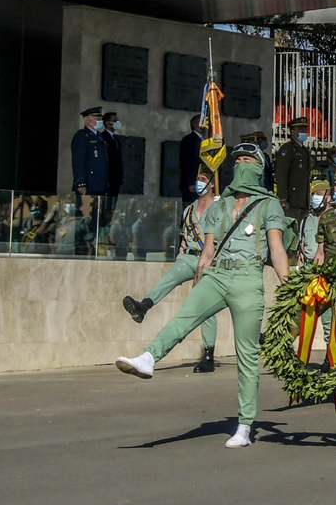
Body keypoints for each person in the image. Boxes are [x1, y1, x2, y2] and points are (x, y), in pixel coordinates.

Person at [114, 142, 288, 449]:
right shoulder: (220, 205)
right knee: (184, 317)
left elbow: (276, 250)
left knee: (246, 355)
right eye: (238, 160)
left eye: (248, 160)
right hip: (217, 274)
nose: (241, 164)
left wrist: (291, 288)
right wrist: (200, 279)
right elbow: (208, 250)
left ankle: (245, 425)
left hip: (248, 278)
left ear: (260, 167)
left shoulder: (268, 204)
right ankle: (149, 358)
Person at [120, 165, 221, 372]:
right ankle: (144, 305)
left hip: (209, 259)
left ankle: (209, 355)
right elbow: (185, 234)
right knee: (170, 277)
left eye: (203, 179)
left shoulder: (219, 209)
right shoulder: (189, 209)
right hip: (189, 256)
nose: (199, 182)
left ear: (212, 184)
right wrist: (182, 249)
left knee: (205, 303)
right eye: (198, 178)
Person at [274, 116, 317, 233]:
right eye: (300, 129)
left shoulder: (304, 150)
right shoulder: (287, 149)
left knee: (300, 231)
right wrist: (283, 198)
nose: (304, 131)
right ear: (292, 131)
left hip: (302, 199)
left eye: (304, 128)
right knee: (290, 231)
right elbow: (281, 174)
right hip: (291, 200)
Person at [70, 106, 112, 204]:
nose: (100, 121)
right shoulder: (81, 136)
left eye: (101, 119)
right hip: (89, 183)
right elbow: (78, 161)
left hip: (100, 183)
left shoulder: (99, 136)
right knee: (86, 210)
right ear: (88, 119)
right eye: (97, 119)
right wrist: (81, 183)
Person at [179, 116, 204, 207]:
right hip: (193, 183)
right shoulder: (188, 140)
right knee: (191, 209)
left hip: (204, 183)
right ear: (196, 125)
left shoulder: (206, 140)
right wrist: (190, 183)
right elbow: (185, 163)